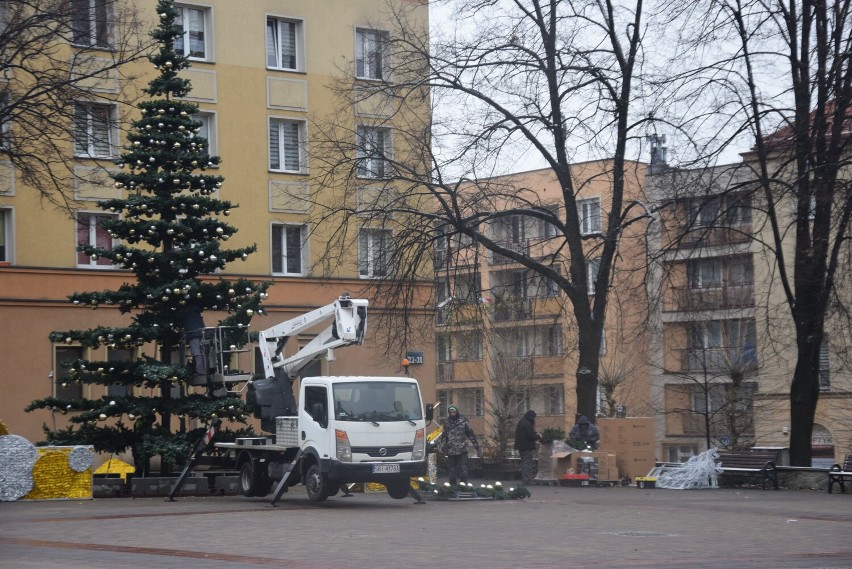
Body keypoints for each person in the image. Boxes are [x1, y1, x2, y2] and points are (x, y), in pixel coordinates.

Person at [438, 405, 481, 486]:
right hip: (451, 450)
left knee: (463, 468)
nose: (453, 413)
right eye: (451, 412)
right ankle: (452, 486)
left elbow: (470, 434)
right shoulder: (446, 422)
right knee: (452, 470)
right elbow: (444, 437)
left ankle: (463, 485)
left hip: (462, 449)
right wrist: (442, 448)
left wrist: (476, 446)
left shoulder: (463, 421)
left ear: (457, 412)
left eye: (454, 412)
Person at [514, 410, 542, 485]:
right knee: (527, 463)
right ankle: (527, 480)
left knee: (524, 463)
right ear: (531, 417)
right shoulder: (527, 424)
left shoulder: (521, 422)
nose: (534, 419)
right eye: (533, 418)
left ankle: (525, 479)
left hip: (521, 446)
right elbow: (531, 435)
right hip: (526, 446)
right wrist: (538, 436)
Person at [180, 303, 207, 376]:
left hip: (192, 334)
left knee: (196, 353)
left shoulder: (185, 312)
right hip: (202, 333)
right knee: (203, 352)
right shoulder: (196, 312)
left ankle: (200, 370)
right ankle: (205, 369)